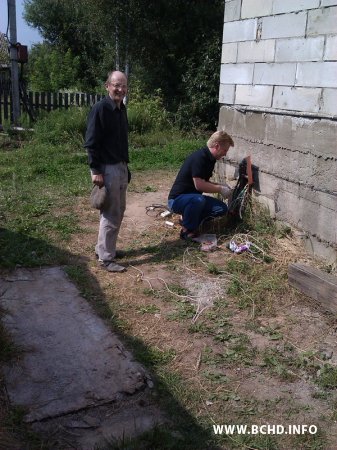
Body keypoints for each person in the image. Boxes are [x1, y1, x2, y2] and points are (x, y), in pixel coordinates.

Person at [84, 70, 130, 272]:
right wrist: (96, 170)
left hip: (119, 166)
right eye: (116, 85)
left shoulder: (121, 109)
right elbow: (91, 142)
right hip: (107, 168)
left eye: (123, 86)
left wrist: (125, 167)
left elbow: (120, 142)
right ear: (107, 86)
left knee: (118, 210)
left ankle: (104, 248)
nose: (120, 89)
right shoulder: (100, 109)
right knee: (111, 212)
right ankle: (106, 258)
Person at [168, 130, 234, 240]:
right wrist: (220, 189)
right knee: (198, 200)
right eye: (225, 150)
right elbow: (199, 185)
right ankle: (187, 230)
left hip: (193, 199)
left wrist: (220, 185)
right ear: (217, 146)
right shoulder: (199, 158)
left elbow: (204, 181)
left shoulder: (210, 160)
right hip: (177, 200)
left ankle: (187, 218)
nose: (225, 154)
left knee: (221, 208)